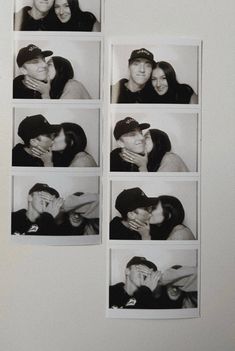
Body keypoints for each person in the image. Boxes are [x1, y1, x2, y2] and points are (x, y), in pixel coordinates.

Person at [121, 128, 189, 172]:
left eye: (146, 137)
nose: (142, 140)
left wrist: (142, 166)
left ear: (157, 141)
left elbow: (155, 184)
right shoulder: (150, 160)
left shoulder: (170, 158)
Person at [23, 56, 91, 99]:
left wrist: (45, 94)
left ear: (60, 69)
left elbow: (60, 112)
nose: (44, 66)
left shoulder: (73, 85)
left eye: (49, 64)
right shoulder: (51, 88)